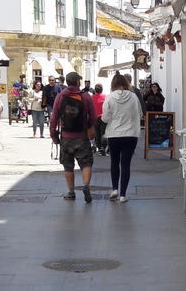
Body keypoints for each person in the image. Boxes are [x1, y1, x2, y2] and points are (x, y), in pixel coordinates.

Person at [50, 72, 96, 202]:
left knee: (68, 165)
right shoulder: (85, 96)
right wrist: (93, 130)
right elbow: (93, 116)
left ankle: (71, 192)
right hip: (82, 136)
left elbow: (54, 118)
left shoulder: (60, 96)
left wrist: (53, 135)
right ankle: (86, 185)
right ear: (77, 82)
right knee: (86, 163)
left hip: (66, 137)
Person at [101, 73, 142, 202]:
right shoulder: (134, 97)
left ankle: (114, 189)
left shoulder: (110, 98)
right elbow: (140, 113)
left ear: (113, 85)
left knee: (114, 162)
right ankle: (123, 195)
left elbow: (105, 118)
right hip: (130, 135)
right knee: (125, 164)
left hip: (114, 134)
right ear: (126, 83)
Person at [91, 83, 108, 156]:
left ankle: (99, 147)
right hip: (103, 117)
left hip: (95, 117)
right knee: (103, 133)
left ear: (95, 90)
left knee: (97, 133)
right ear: (102, 89)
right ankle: (103, 148)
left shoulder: (92, 97)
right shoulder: (105, 97)